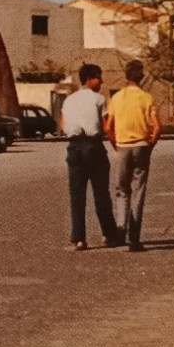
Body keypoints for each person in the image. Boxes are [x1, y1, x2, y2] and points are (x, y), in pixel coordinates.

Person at [59, 64, 121, 251]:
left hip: (74, 147)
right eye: (99, 77)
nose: (101, 82)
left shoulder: (68, 100)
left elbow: (62, 125)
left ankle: (79, 238)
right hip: (93, 146)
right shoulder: (99, 99)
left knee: (77, 194)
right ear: (90, 79)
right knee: (101, 192)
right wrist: (116, 147)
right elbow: (106, 126)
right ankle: (108, 234)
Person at [104, 60, 161, 252]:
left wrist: (116, 144)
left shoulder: (116, 98)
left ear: (126, 76)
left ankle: (121, 229)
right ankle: (134, 238)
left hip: (122, 146)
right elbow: (157, 127)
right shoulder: (147, 98)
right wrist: (149, 145)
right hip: (141, 145)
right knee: (138, 190)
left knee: (121, 189)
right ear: (141, 77)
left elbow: (108, 127)